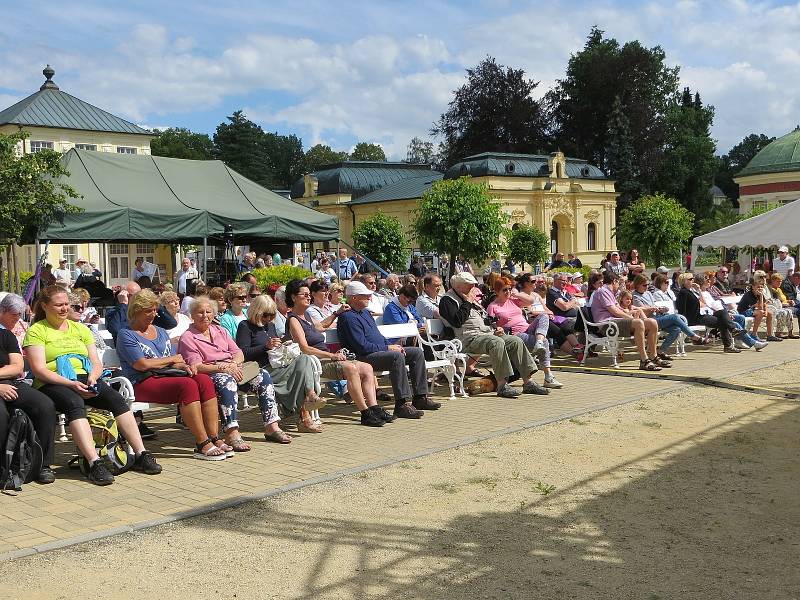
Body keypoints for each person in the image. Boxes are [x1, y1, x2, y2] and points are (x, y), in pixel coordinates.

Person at [24, 286, 162, 485]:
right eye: (58, 305)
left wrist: (93, 377)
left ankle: (141, 454)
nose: (64, 309)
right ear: (44, 306)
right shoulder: (37, 330)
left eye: (66, 305)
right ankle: (94, 462)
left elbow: (96, 362)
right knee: (74, 403)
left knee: (116, 399)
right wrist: (71, 384)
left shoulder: (80, 329)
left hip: (85, 378)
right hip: (53, 381)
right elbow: (39, 370)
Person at [116, 290, 228, 461]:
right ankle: (202, 443)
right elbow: (141, 364)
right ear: (136, 310)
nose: (153, 314)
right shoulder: (126, 334)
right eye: (148, 310)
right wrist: (172, 359)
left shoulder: (160, 331)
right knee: (187, 385)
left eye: (154, 310)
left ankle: (214, 437)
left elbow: (173, 361)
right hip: (141, 381)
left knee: (204, 380)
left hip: (167, 376)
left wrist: (183, 365)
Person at [179, 296, 287, 445]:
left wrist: (234, 365)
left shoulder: (220, 331)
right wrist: (223, 368)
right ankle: (231, 432)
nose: (205, 315)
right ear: (192, 315)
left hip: (233, 368)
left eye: (208, 312)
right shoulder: (188, 337)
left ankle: (272, 427)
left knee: (263, 375)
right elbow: (197, 366)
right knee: (226, 381)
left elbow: (239, 352)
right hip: (210, 373)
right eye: (200, 312)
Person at [283, 280, 390, 427]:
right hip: (314, 363)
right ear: (294, 297)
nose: (309, 297)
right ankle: (365, 413)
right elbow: (304, 348)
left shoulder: (306, 316)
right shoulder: (294, 320)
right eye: (305, 295)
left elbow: (322, 326)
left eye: (309, 295)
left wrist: (336, 313)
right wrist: (331, 355)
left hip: (326, 358)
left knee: (367, 368)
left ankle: (374, 408)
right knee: (351, 369)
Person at [336, 280, 436, 417]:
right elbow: (361, 346)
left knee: (416, 353)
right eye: (365, 296)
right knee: (396, 357)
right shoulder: (348, 317)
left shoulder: (364, 313)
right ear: (354, 298)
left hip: (377, 351)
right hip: (362, 357)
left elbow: (377, 336)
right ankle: (401, 404)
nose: (370, 298)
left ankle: (420, 397)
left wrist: (392, 345)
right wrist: (388, 347)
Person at [440, 272, 548, 397]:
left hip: (486, 334)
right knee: (497, 342)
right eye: (469, 285)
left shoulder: (469, 296)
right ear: (458, 286)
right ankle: (502, 385)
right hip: (467, 338)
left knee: (515, 341)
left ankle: (528, 382)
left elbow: (485, 318)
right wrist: (468, 302)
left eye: (473, 285)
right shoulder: (448, 300)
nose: (473, 288)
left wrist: (496, 328)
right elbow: (457, 321)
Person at [235, 294, 330, 432]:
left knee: (304, 359)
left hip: (278, 364)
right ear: (257, 312)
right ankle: (305, 418)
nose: (268, 319)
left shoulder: (270, 325)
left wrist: (283, 346)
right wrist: (265, 346)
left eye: (271, 315)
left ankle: (311, 395)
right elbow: (243, 353)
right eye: (265, 315)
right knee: (300, 376)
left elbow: (274, 348)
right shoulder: (245, 326)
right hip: (260, 369)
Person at [0, 318, 57, 485]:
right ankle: (4, 468)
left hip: (12, 383)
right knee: (1, 414)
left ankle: (43, 465)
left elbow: (17, 367)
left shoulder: (5, 335)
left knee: (45, 406)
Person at [486, 278, 563, 388]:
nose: (508, 292)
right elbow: (491, 325)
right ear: (497, 291)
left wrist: (516, 294)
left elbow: (531, 301)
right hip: (514, 334)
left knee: (543, 316)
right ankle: (548, 376)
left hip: (527, 329)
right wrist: (499, 327)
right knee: (545, 341)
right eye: (504, 290)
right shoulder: (493, 307)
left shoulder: (512, 300)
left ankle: (539, 343)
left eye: (509, 289)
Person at [592, 272, 670, 370]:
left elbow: (619, 310)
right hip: (607, 324)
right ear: (614, 281)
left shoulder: (610, 293)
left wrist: (632, 312)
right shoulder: (603, 291)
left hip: (616, 322)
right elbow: (615, 311)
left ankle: (653, 356)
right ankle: (644, 360)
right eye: (619, 283)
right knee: (638, 323)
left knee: (652, 322)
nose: (620, 286)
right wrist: (632, 318)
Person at [631, 274, 710, 356]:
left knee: (676, 329)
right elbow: (641, 309)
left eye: (648, 284)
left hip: (657, 317)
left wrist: (661, 309)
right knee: (675, 317)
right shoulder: (635, 296)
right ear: (637, 284)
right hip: (648, 321)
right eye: (644, 285)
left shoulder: (648, 293)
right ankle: (694, 336)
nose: (646, 287)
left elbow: (653, 306)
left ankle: (661, 351)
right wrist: (653, 308)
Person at [675, 273, 741, 353]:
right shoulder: (683, 293)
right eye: (691, 279)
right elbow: (682, 309)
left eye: (693, 279)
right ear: (684, 281)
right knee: (722, 322)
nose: (693, 280)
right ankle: (729, 343)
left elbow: (704, 302)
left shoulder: (691, 291)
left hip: (702, 314)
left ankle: (733, 330)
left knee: (722, 312)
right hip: (694, 318)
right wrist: (684, 321)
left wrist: (699, 290)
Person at [106, 281, 177, 343]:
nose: (140, 298)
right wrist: (123, 304)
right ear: (125, 295)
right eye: (136, 296)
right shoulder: (113, 312)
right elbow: (116, 330)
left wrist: (154, 302)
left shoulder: (146, 313)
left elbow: (171, 324)